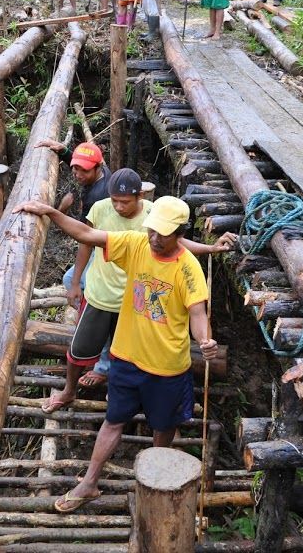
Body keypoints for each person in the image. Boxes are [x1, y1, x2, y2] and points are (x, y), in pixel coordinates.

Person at [16, 195, 219, 512]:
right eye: (151, 230)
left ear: (180, 233)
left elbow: (197, 314)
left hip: (167, 368)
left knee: (163, 428)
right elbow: (86, 235)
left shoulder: (189, 269)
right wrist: (51, 211)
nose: (153, 238)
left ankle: (154, 485)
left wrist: (205, 341)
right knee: (113, 421)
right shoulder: (137, 245)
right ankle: (88, 483)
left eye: (162, 234)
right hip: (126, 358)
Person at [43, 170, 235, 409]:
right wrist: (75, 281)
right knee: (80, 348)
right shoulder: (104, 211)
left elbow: (176, 242)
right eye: (115, 201)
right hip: (101, 293)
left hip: (133, 301)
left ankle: (118, 394)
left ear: (140, 196)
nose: (119, 207)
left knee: (123, 354)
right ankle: (69, 391)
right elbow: (87, 239)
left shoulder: (154, 214)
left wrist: (210, 249)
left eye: (125, 202)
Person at [34, 140, 112, 296]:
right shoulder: (103, 173)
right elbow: (82, 165)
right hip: (103, 234)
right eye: (75, 169)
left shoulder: (97, 198)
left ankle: (87, 304)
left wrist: (59, 213)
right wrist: (65, 151)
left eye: (84, 171)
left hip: (104, 245)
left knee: (70, 280)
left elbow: (84, 236)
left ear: (97, 168)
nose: (78, 175)